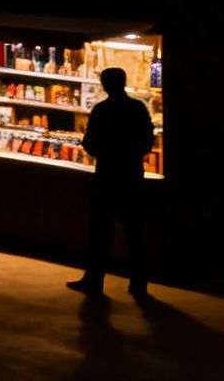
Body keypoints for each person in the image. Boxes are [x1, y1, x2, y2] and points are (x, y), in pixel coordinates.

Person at [68, 66, 154, 297]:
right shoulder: (138, 108)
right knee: (135, 232)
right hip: (132, 177)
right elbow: (148, 140)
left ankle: (94, 280)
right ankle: (139, 284)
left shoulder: (102, 110)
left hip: (106, 177)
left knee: (100, 231)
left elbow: (90, 144)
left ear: (105, 85)